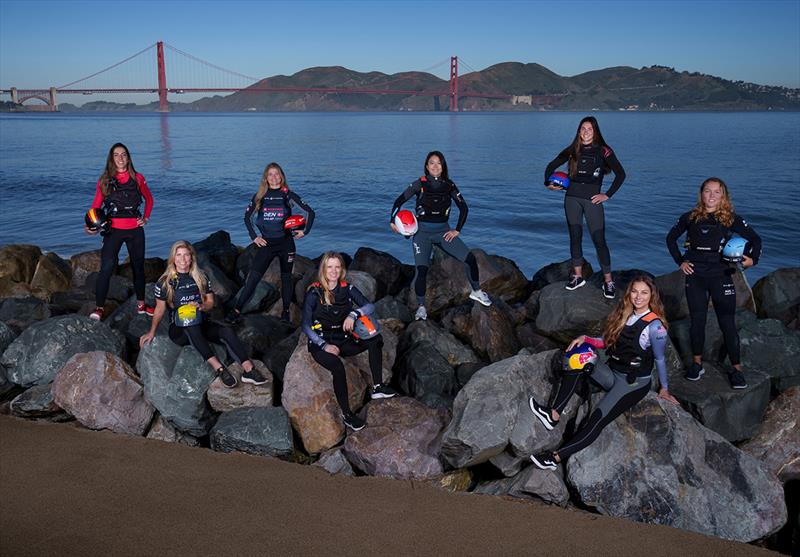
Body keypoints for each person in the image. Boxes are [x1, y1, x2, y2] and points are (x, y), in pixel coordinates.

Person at [528, 276, 678, 470]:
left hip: (632, 384)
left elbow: (660, 359)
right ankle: (553, 414)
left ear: (652, 296)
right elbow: (608, 342)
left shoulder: (655, 326)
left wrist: (664, 388)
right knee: (578, 355)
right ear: (629, 293)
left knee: (597, 419)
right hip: (612, 372)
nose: (638, 297)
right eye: (634, 291)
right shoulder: (626, 314)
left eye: (644, 293)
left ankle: (554, 458)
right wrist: (586, 339)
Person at [666, 177, 761, 389]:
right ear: (701, 194)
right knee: (697, 321)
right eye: (707, 191)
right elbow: (670, 239)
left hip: (721, 276)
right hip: (696, 276)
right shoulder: (689, 218)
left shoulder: (731, 219)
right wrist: (680, 262)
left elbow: (756, 240)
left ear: (723, 196)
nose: (711, 195)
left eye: (717, 192)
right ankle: (696, 364)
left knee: (727, 323)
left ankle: (737, 370)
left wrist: (752, 260)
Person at [140, 240, 267, 389]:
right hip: (179, 330)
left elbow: (210, 302)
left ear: (192, 257)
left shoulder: (201, 277)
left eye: (186, 255)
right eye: (179, 255)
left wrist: (201, 306)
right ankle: (219, 369)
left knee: (226, 330)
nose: (182, 259)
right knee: (190, 322)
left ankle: (249, 370)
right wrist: (151, 332)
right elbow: (160, 309)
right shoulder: (164, 282)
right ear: (173, 258)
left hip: (201, 322)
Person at [390, 151, 491, 321]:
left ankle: (477, 291)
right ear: (426, 166)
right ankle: (421, 307)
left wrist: (457, 230)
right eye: (432, 163)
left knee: (470, 259)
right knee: (421, 270)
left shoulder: (449, 185)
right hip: (422, 234)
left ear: (443, 166)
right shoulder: (419, 184)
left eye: (439, 163)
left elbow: (464, 208)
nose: (435, 166)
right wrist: (393, 220)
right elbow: (398, 202)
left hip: (444, 232)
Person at [301, 252, 398, 431]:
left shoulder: (348, 288)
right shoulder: (314, 292)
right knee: (338, 367)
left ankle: (377, 387)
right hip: (321, 343)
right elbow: (305, 326)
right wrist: (324, 345)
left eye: (337, 267)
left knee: (375, 340)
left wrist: (354, 314)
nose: (333, 271)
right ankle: (347, 415)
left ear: (342, 269)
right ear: (323, 269)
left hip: (343, 338)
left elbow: (369, 306)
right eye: (329, 267)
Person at [543, 116, 626, 298]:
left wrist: (607, 195)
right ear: (578, 131)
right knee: (575, 237)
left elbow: (621, 174)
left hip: (592, 200)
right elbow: (551, 165)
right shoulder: (573, 149)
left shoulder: (604, 151)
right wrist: (548, 183)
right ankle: (578, 277)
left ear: (595, 131)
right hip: (571, 198)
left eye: (589, 129)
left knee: (599, 240)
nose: (586, 132)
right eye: (583, 129)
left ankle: (608, 282)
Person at [226, 162, 315, 325]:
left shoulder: (288, 195)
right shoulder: (260, 196)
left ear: (282, 176)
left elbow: (310, 212)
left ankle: (286, 312)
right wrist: (254, 237)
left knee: (286, 278)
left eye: (277, 174)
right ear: (266, 179)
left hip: (286, 244)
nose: (274, 177)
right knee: (253, 278)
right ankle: (236, 310)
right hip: (266, 244)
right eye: (270, 174)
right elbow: (247, 218)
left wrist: (305, 231)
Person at [85, 143, 154, 320]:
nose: (120, 158)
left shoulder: (138, 178)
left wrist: (145, 218)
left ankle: (141, 305)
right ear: (111, 158)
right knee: (106, 269)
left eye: (123, 155)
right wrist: (91, 227)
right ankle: (99, 308)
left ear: (128, 158)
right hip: (113, 231)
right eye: (116, 155)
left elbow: (149, 199)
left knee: (138, 268)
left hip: (135, 231)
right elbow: (95, 207)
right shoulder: (104, 180)